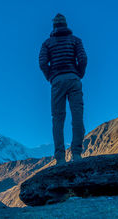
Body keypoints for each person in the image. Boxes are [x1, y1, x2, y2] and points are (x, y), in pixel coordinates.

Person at [39, 13, 87, 164]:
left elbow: (42, 62)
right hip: (73, 79)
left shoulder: (47, 43)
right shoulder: (75, 40)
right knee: (77, 116)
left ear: (54, 26)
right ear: (66, 25)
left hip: (57, 81)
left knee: (58, 119)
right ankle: (77, 154)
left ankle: (60, 158)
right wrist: (79, 73)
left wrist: (50, 77)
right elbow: (83, 58)